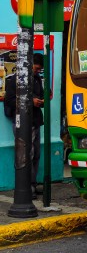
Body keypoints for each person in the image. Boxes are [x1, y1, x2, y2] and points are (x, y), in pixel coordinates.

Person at [4, 53, 44, 199]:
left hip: (35, 120)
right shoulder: (16, 80)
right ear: (30, 64)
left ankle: (32, 184)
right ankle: (26, 186)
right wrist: (31, 101)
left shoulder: (37, 79)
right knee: (27, 154)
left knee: (36, 154)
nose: (38, 71)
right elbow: (9, 101)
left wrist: (41, 100)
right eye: (37, 68)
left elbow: (42, 94)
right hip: (22, 122)